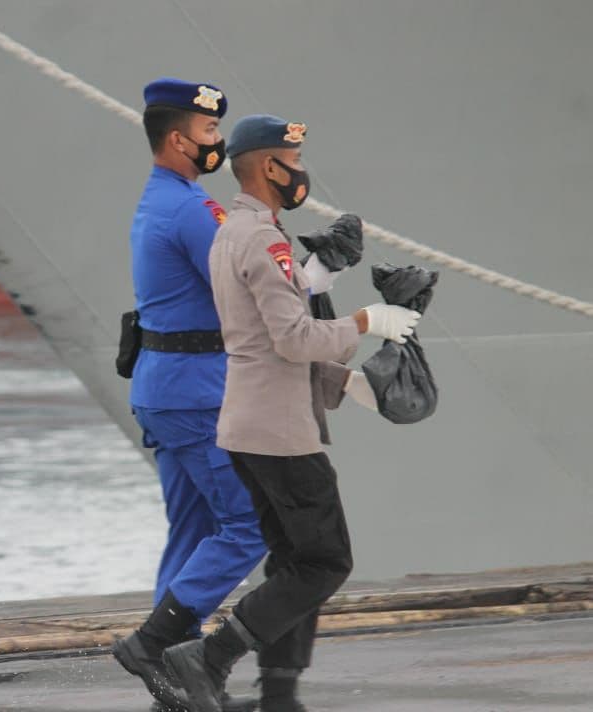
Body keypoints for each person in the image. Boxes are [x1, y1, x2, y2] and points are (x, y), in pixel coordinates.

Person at [161, 115, 421, 712]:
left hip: (245, 426)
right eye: (292, 161)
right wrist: (365, 322)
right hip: (280, 432)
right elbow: (292, 339)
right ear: (268, 168)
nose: (301, 172)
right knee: (327, 560)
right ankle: (210, 657)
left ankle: (280, 692)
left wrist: (344, 378)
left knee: (294, 560)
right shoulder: (265, 240)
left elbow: (259, 331)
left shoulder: (231, 232)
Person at [111, 79, 267, 712]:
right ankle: (158, 646)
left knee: (195, 528)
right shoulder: (189, 210)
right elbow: (252, 273)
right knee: (252, 524)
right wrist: (321, 272)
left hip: (167, 389)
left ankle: (173, 681)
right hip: (196, 394)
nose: (218, 144)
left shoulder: (164, 200)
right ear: (178, 139)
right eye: (208, 134)